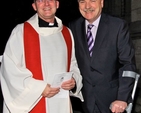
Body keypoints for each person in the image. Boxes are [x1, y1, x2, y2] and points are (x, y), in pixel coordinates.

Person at [0, 0, 84, 113]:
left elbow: (73, 65)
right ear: (34, 6)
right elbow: (9, 69)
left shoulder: (66, 33)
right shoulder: (21, 31)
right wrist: (39, 89)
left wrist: (74, 81)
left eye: (50, 0)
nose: (46, 4)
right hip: (34, 102)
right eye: (40, 0)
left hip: (61, 104)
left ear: (57, 4)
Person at [68, 0, 137, 113]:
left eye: (92, 1)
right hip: (85, 101)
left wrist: (122, 98)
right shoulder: (73, 27)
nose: (87, 6)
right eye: (82, 2)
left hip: (113, 102)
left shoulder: (117, 26)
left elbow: (128, 64)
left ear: (102, 3)